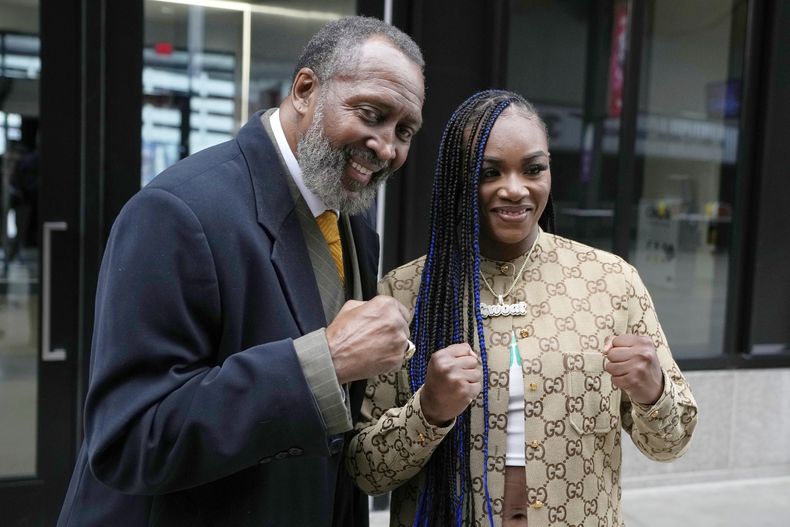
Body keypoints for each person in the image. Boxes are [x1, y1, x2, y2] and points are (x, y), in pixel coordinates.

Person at [57, 16, 424, 527]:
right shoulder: (176, 211)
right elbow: (132, 440)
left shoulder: (355, 228)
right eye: (371, 113)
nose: (386, 147)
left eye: (404, 131)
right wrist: (325, 361)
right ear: (304, 90)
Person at [346, 90, 698, 527]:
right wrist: (429, 410)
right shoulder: (402, 294)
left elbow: (672, 443)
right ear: (458, 179)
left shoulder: (612, 282)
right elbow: (365, 472)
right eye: (489, 172)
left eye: (533, 169)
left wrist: (654, 390)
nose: (514, 189)